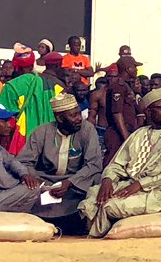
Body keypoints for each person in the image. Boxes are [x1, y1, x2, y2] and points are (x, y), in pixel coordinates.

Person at [80, 87, 161, 237]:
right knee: (94, 195)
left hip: (160, 191)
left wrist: (140, 185)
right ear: (149, 112)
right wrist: (107, 180)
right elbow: (118, 163)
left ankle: (99, 236)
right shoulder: (139, 134)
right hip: (129, 184)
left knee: (110, 206)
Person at [23, 90, 107, 223]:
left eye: (79, 113)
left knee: (96, 179)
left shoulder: (87, 129)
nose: (79, 118)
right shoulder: (41, 132)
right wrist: (37, 181)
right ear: (60, 118)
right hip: (47, 182)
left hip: (76, 183)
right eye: (73, 116)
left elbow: (93, 163)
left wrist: (69, 183)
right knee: (21, 182)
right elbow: (24, 162)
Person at [0, 51, 50, 142]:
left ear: (16, 66)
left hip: (22, 138)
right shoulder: (46, 83)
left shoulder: (11, 86)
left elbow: (3, 116)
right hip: (46, 137)